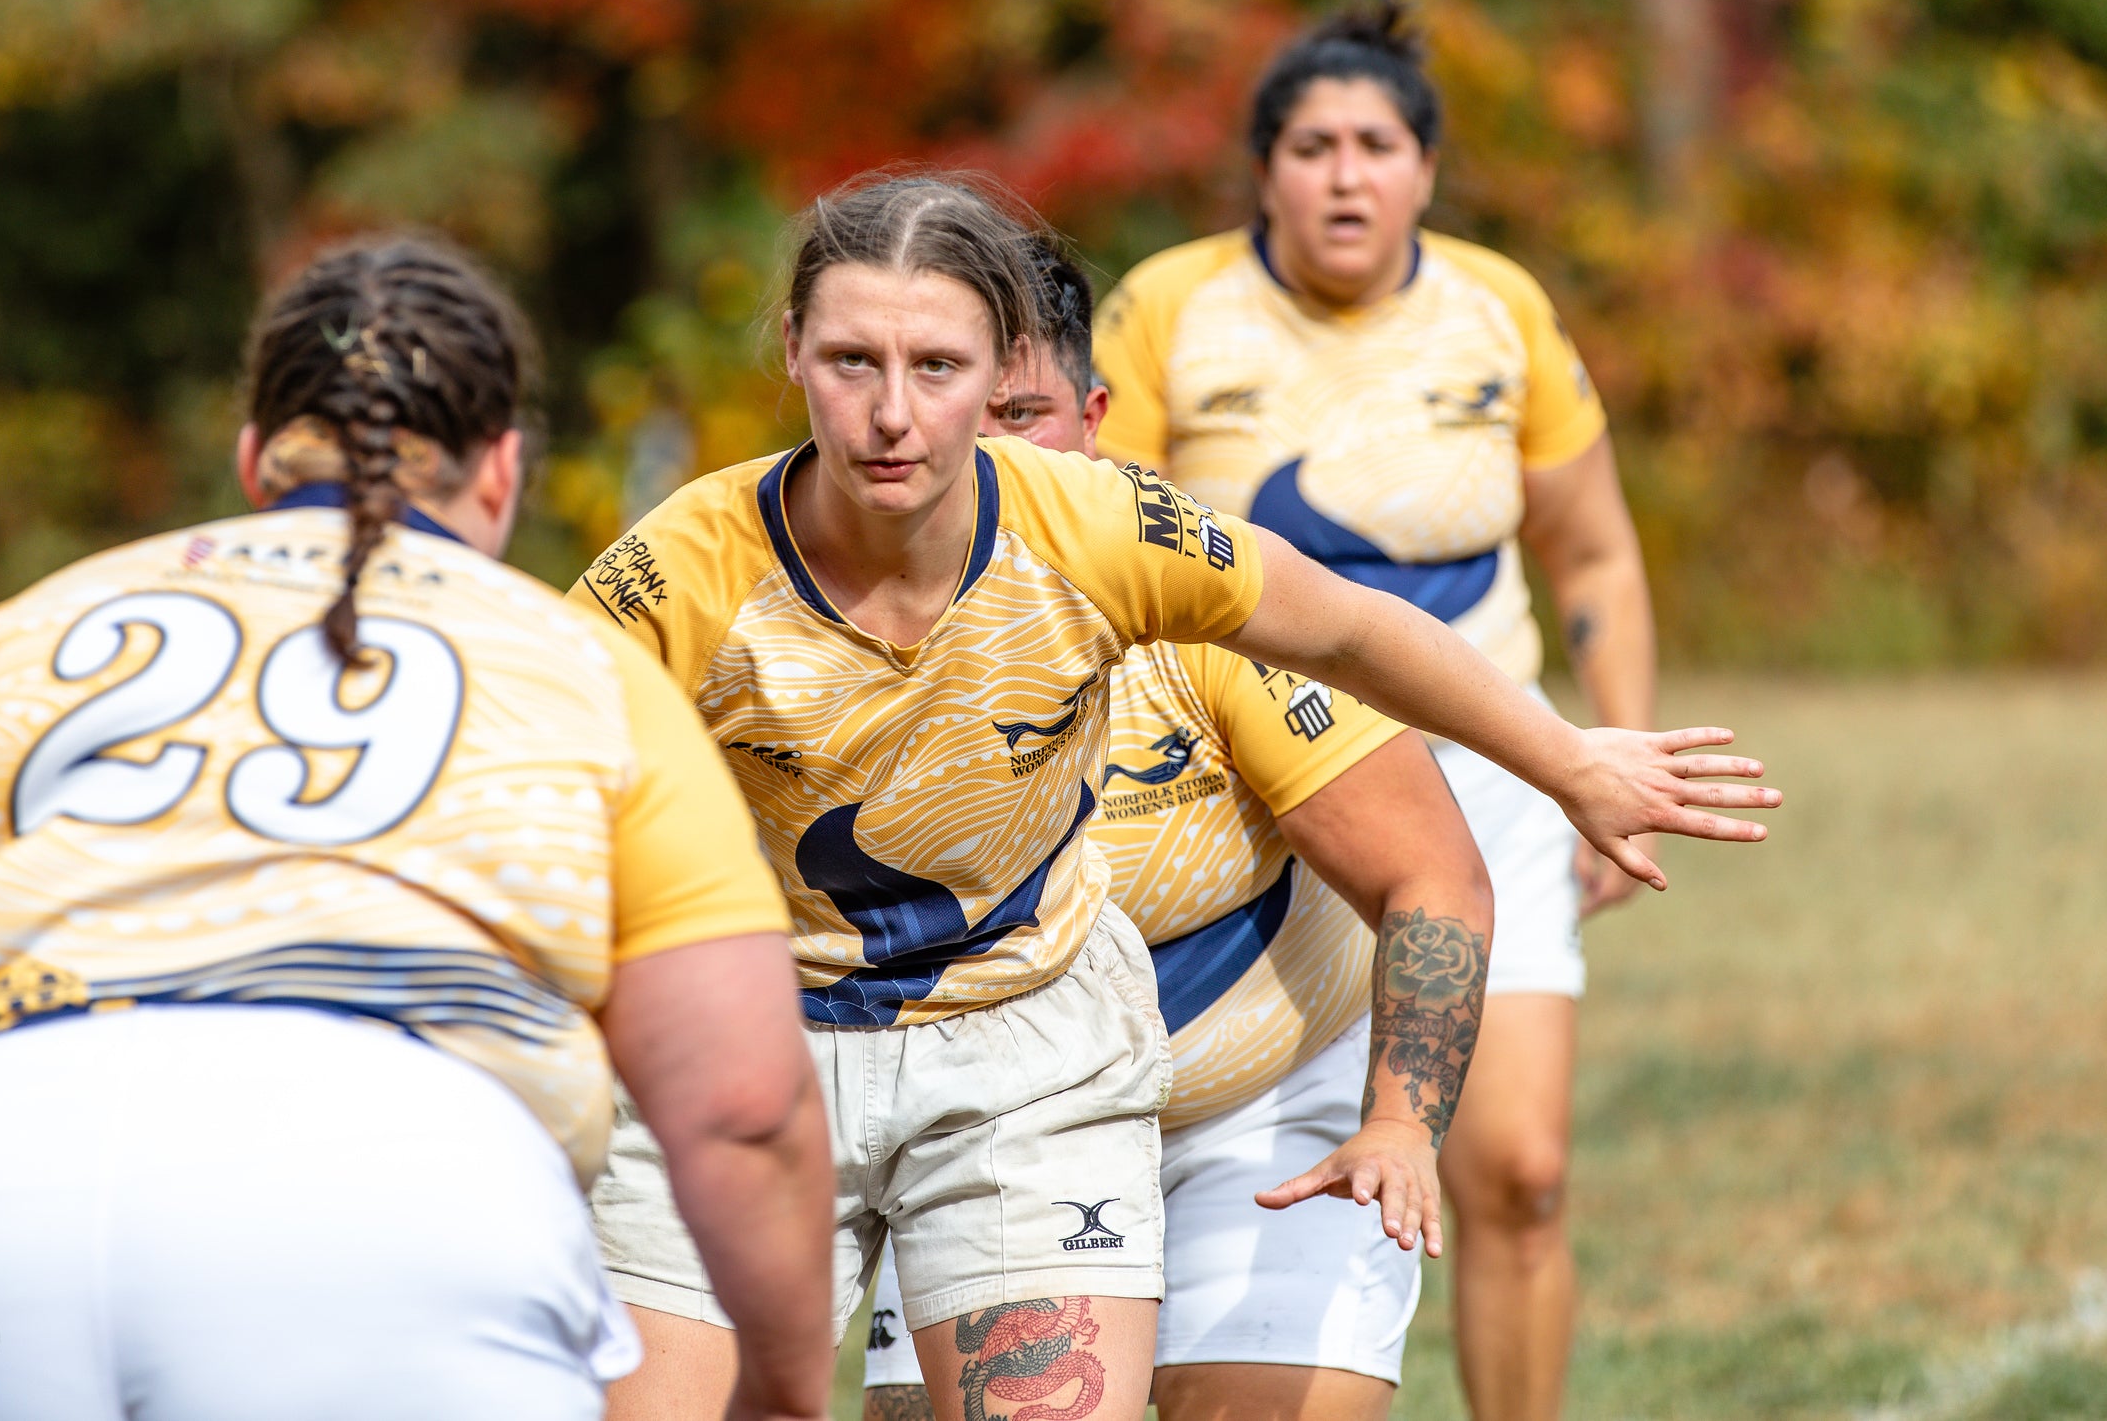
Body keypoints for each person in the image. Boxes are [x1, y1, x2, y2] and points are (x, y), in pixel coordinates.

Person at [570, 171, 1776, 1421]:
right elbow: (521, 793)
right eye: (849, 361)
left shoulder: (1095, 525)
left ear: (996, 373)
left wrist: (1568, 759)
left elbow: (1355, 631)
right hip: (747, 1037)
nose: (889, 413)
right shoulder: (677, 574)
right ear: (790, 351)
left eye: (936, 367)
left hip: (1017, 1047)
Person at [0, 236, 835, 1421]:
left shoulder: (40, 619)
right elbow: (741, 1104)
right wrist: (777, 1388)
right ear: (503, 470)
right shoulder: (585, 672)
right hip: (399, 1204)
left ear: (255, 455)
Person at [1091, 0, 1664, 1419]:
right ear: (1262, 168)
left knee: (1517, 1167)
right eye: (1309, 144)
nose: (1344, 172)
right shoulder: (1170, 303)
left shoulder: (1500, 307)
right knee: (1252, 1129)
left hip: (1492, 771)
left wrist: (1604, 752)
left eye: (1377, 143)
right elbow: (1085, 511)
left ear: (1425, 166)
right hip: (1255, 793)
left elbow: (1592, 548)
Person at [861, 241, 1492, 1421]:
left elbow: (1433, 876)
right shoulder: (808, 625)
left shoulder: (1209, 597)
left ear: (1095, 418)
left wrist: (1400, 1123)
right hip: (983, 1122)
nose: (986, 457)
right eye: (954, 411)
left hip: (1256, 1118)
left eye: (1023, 416)